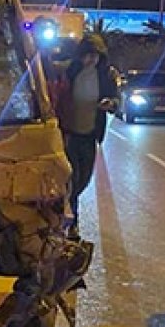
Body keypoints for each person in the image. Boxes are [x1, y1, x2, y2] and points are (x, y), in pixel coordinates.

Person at [47, 34, 118, 240]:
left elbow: (116, 99)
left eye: (95, 56)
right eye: (88, 55)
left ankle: (64, 211)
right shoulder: (69, 70)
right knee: (72, 179)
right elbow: (49, 75)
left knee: (83, 180)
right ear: (80, 55)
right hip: (69, 134)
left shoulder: (106, 75)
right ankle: (72, 223)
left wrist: (110, 103)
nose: (91, 60)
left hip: (90, 135)